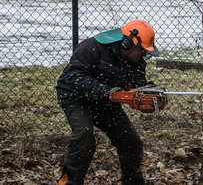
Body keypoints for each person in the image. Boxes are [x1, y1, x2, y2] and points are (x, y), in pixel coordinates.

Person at [56, 20, 160, 185]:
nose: (144, 54)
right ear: (127, 44)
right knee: (84, 136)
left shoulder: (136, 62)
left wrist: (144, 95)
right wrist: (105, 91)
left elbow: (136, 84)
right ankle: (69, 182)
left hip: (105, 102)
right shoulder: (92, 47)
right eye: (142, 50)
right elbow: (72, 76)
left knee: (130, 141)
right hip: (76, 97)